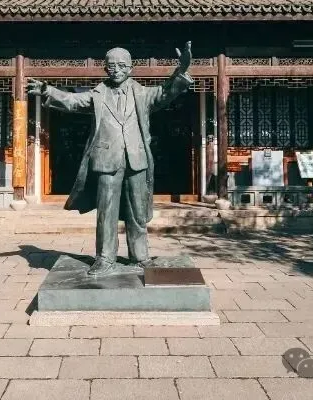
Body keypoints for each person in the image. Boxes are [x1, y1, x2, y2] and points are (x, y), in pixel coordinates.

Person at [27, 42, 193, 276]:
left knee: (137, 212)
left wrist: (181, 70)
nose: (116, 70)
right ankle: (105, 258)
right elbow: (73, 101)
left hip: (136, 159)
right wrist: (48, 91)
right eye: (111, 66)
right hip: (106, 160)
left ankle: (140, 256)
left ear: (131, 68)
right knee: (106, 212)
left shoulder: (143, 94)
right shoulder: (97, 94)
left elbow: (166, 91)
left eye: (122, 65)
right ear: (105, 69)